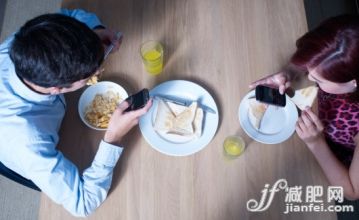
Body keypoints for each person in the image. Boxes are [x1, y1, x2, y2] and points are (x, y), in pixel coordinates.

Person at [0, 9, 152, 217]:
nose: (97, 73)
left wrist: (94, 31)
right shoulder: (28, 141)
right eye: (90, 75)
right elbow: (83, 205)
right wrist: (113, 138)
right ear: (56, 89)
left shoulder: (25, 40)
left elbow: (69, 14)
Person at [250, 14, 359, 201]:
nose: (309, 78)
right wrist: (289, 72)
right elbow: (320, 59)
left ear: (353, 81)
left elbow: (351, 192)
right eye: (308, 71)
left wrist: (315, 143)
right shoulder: (347, 47)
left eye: (318, 80)